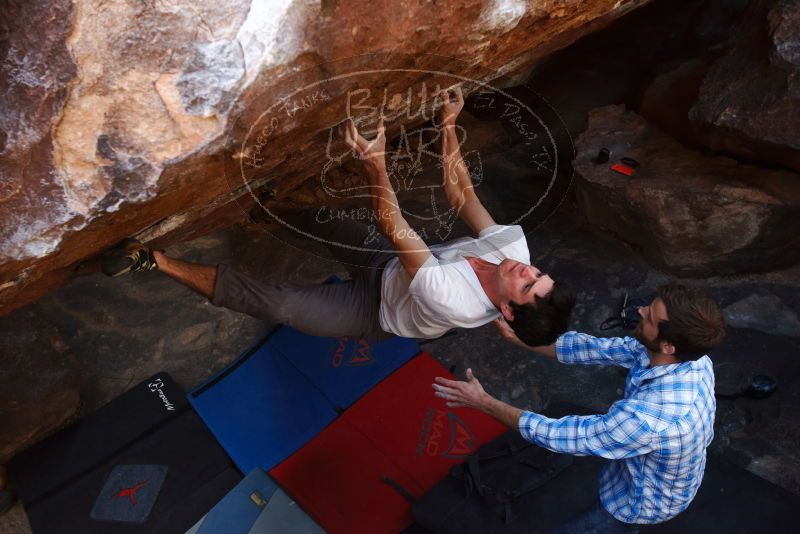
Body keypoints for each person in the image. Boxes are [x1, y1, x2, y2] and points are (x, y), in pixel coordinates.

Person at [100, 86, 573, 344]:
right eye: (539, 274)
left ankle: (153, 261)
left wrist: (375, 162)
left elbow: (395, 225)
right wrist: (447, 125)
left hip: (377, 312)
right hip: (388, 265)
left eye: (527, 284)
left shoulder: (457, 302)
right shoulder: (514, 252)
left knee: (281, 306)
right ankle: (266, 212)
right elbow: (462, 195)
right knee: (322, 225)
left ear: (507, 309)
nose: (527, 269)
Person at [433, 283, 726, 532]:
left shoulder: (647, 420)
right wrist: (522, 339)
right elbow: (592, 349)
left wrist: (482, 402)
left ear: (668, 346)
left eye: (650, 316)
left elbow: (556, 435)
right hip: (653, 465)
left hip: (639, 502)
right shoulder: (692, 358)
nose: (640, 311)